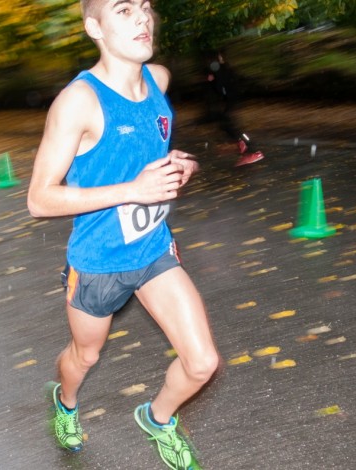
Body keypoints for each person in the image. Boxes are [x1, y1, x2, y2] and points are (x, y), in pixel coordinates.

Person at [27, 1, 220, 468]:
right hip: (98, 263)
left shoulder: (159, 78)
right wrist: (132, 189)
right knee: (85, 357)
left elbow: (148, 149)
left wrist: (180, 163)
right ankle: (65, 403)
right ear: (95, 27)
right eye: (124, 9)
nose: (142, 18)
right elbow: (39, 199)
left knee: (202, 363)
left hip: (153, 250)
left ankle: (158, 418)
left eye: (146, 7)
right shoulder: (79, 102)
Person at [205, 51, 265, 167]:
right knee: (226, 126)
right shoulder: (223, 69)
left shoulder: (221, 70)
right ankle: (243, 146)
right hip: (230, 101)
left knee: (230, 126)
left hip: (230, 101)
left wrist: (212, 81)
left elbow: (220, 87)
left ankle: (252, 150)